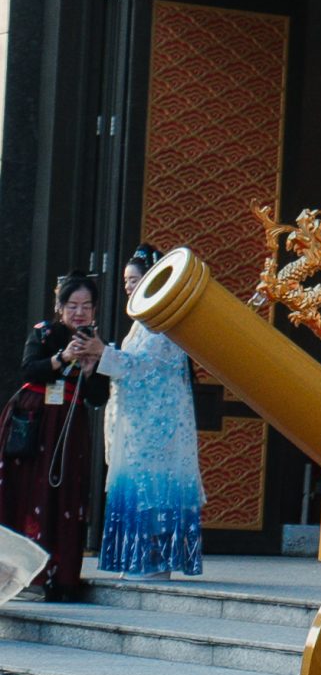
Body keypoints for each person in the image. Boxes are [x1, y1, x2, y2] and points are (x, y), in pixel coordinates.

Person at [95, 246, 203, 580]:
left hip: (157, 429)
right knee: (143, 491)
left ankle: (152, 561)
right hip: (142, 426)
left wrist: (102, 354)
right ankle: (138, 559)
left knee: (152, 492)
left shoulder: (160, 325)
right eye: (126, 281)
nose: (128, 286)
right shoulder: (142, 324)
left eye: (134, 279)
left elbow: (141, 366)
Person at [3, 276, 109, 600]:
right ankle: (19, 577)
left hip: (68, 427)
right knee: (24, 492)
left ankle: (58, 578)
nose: (79, 312)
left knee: (63, 497)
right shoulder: (44, 333)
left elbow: (98, 397)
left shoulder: (96, 343)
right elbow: (28, 370)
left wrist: (91, 367)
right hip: (33, 421)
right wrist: (62, 358)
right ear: (59, 307)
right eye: (72, 305)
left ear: (94, 311)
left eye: (86, 306)